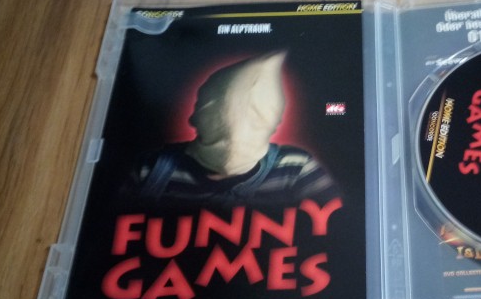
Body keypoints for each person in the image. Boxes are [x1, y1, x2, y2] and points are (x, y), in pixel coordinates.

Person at [132, 51, 337, 206]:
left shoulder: (296, 167)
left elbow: (336, 230)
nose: (235, 136)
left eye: (255, 121)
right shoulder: (150, 169)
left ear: (273, 124)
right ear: (198, 117)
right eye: (218, 118)